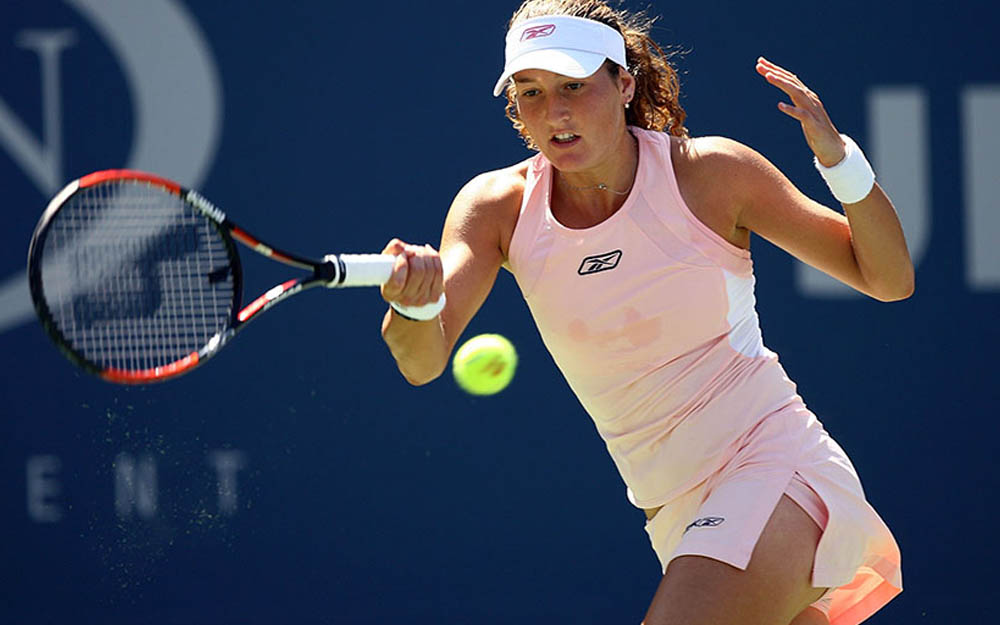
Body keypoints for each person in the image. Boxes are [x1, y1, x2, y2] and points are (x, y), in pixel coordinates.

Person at [379, 1, 912, 623]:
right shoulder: (497, 206)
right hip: (672, 513)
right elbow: (421, 362)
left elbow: (888, 279)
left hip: (773, 464)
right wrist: (414, 307)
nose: (554, 113)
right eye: (531, 92)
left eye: (574, 86)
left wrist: (838, 160)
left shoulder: (711, 174)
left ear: (625, 84)